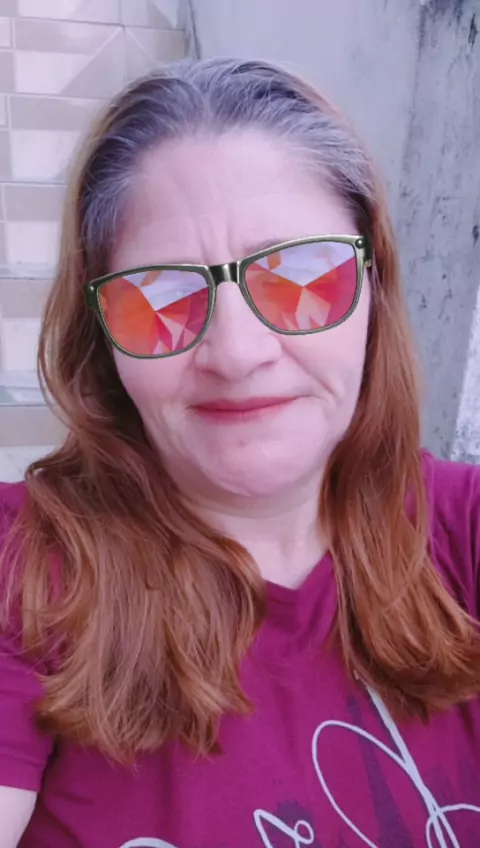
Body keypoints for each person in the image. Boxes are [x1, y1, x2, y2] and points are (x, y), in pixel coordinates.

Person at [0, 57, 479, 848]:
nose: (237, 352)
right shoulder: (22, 569)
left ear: (373, 287)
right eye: (159, 296)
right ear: (102, 340)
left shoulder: (463, 534)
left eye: (300, 278)